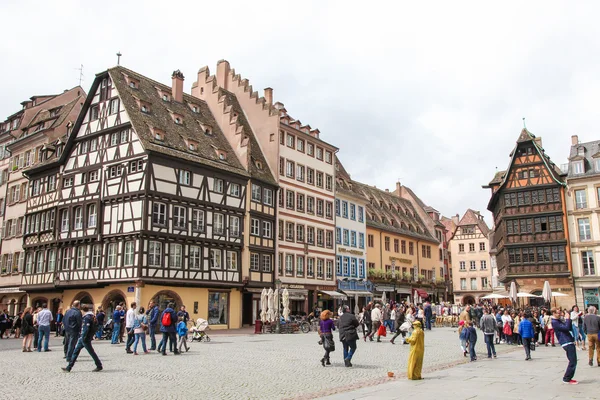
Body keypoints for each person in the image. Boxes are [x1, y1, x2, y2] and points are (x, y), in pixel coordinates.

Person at [62, 304, 102, 373]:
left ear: (82, 310)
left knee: (91, 352)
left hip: (85, 338)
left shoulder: (87, 317)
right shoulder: (91, 316)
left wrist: (83, 337)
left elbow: (86, 328)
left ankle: (99, 365)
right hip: (84, 337)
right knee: (76, 351)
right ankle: (69, 367)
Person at [551, 307, 578, 384]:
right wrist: (568, 319)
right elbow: (567, 328)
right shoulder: (555, 322)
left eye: (560, 312)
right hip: (566, 341)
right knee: (573, 361)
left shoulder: (557, 320)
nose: (559, 314)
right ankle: (567, 378)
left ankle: (568, 378)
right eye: (558, 313)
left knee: (573, 361)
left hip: (568, 340)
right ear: (553, 313)